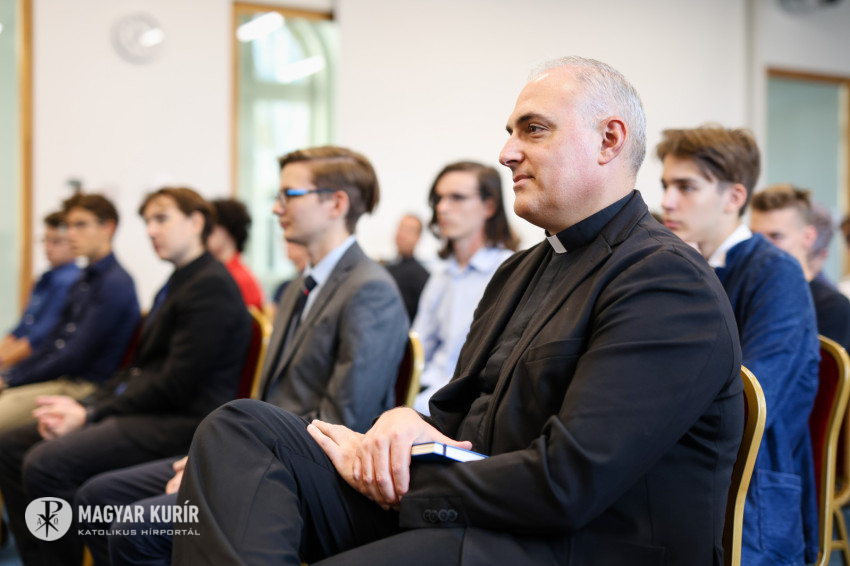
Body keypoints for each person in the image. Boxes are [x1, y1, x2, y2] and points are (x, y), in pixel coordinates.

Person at [172, 57, 743, 566]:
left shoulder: (665, 281)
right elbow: (450, 420)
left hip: (573, 542)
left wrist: (406, 483)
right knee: (243, 430)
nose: (506, 153)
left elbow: (570, 482)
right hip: (479, 511)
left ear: (608, 140)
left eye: (534, 129)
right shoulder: (519, 271)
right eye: (510, 133)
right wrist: (399, 426)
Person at [75, 146, 409, 566]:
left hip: (307, 468)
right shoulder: (298, 287)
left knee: (135, 528)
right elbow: (268, 398)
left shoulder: (369, 289)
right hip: (261, 448)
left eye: (289, 195)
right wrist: (219, 456)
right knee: (99, 496)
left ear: (336, 204)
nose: (276, 208)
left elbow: (346, 419)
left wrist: (231, 464)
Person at [0, 187, 252, 566]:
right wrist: (88, 406)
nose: (151, 230)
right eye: (147, 221)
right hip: (151, 411)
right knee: (11, 444)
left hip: (180, 423)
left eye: (161, 218)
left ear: (196, 222)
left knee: (46, 463)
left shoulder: (210, 286)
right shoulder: (181, 280)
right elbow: (137, 371)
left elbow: (173, 384)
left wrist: (90, 413)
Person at [659, 127, 820, 565]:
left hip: (750, 496)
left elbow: (752, 399)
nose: (668, 201)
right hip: (691, 475)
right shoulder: (682, 269)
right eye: (666, 185)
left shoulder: (776, 273)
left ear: (733, 197)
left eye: (686, 187)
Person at [0, 194, 139, 433]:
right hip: (61, 379)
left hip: (83, 387)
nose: (72, 234)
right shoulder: (84, 279)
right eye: (70, 226)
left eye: (81, 225)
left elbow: (74, 354)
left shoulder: (115, 283)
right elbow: (52, 341)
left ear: (108, 228)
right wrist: (11, 374)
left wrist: (11, 380)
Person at [411, 162, 517, 414]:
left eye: (457, 198)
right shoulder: (441, 276)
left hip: (470, 408)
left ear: (489, 206)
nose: (442, 208)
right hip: (424, 399)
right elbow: (419, 349)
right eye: (438, 199)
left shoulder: (509, 271)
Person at [751, 183, 850, 350]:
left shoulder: (831, 307)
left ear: (808, 237)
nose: (760, 247)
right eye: (755, 236)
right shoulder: (748, 295)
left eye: (775, 236)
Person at [0, 211, 80, 370]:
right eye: (45, 240)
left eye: (56, 241)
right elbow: (21, 330)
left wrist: (2, 361)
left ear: (73, 242)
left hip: (40, 363)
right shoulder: (44, 278)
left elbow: (39, 339)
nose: (47, 247)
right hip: (21, 360)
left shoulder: (70, 282)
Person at [207, 198, 264, 310]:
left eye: (211, 227)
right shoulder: (217, 271)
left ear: (228, 230)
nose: (205, 233)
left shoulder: (239, 279)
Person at [384, 214, 430, 322]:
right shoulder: (387, 267)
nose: (402, 234)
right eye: (401, 228)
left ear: (418, 238)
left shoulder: (422, 277)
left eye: (409, 231)